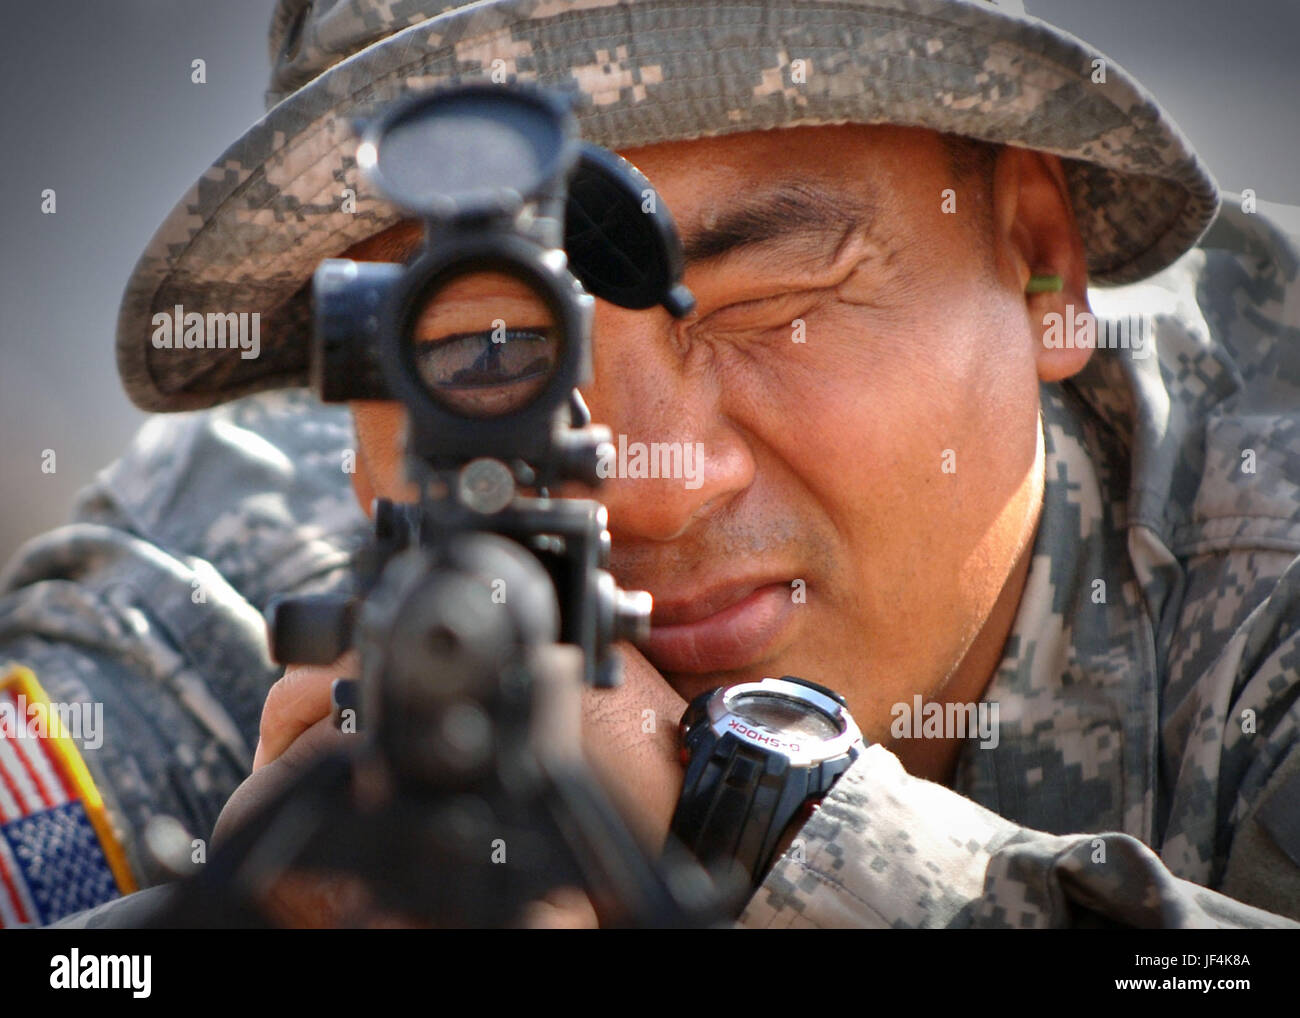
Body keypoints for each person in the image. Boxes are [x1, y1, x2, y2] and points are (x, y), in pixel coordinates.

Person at [2, 0, 1298, 928]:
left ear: (1039, 259)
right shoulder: (219, 580)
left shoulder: (1268, 553)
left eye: (771, 307)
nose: (649, 483)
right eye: (484, 347)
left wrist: (780, 846)